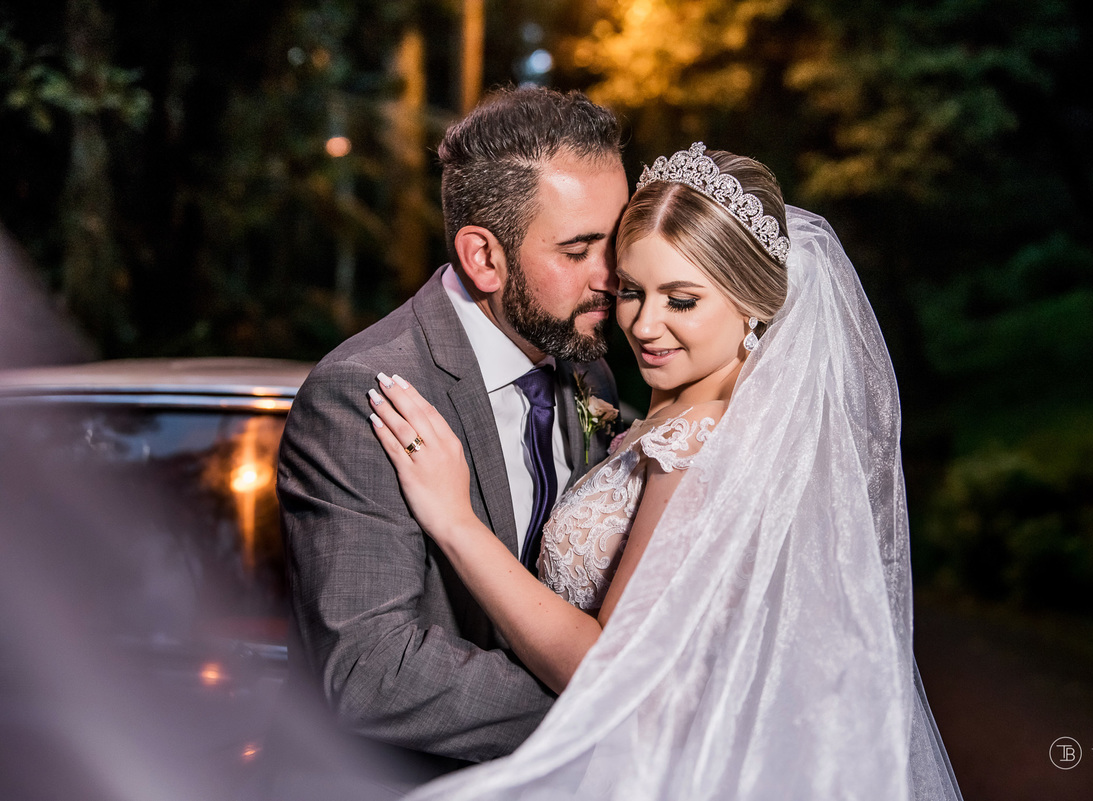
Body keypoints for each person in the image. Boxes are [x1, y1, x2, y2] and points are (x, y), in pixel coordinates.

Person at [368, 143, 963, 799]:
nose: (645, 325)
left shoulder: (698, 442)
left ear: (753, 303)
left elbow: (609, 667)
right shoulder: (698, 419)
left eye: (681, 300)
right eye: (630, 290)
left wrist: (455, 523)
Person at [273, 86, 628, 790]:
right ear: (483, 258)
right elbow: (374, 669)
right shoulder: (366, 394)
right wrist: (604, 715)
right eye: (580, 248)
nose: (612, 276)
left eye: (616, 241)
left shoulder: (594, 374)